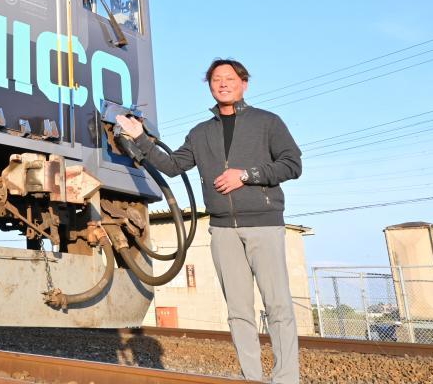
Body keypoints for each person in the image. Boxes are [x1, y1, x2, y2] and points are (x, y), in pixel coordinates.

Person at [116, 59, 302, 384]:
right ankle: (252, 377)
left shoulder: (267, 122)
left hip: (264, 224)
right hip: (222, 229)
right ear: (211, 86)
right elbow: (173, 165)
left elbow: (291, 164)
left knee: (278, 307)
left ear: (244, 84)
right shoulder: (201, 133)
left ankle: (286, 378)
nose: (223, 83)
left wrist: (247, 175)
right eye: (217, 79)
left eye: (230, 78)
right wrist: (141, 138)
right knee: (238, 312)